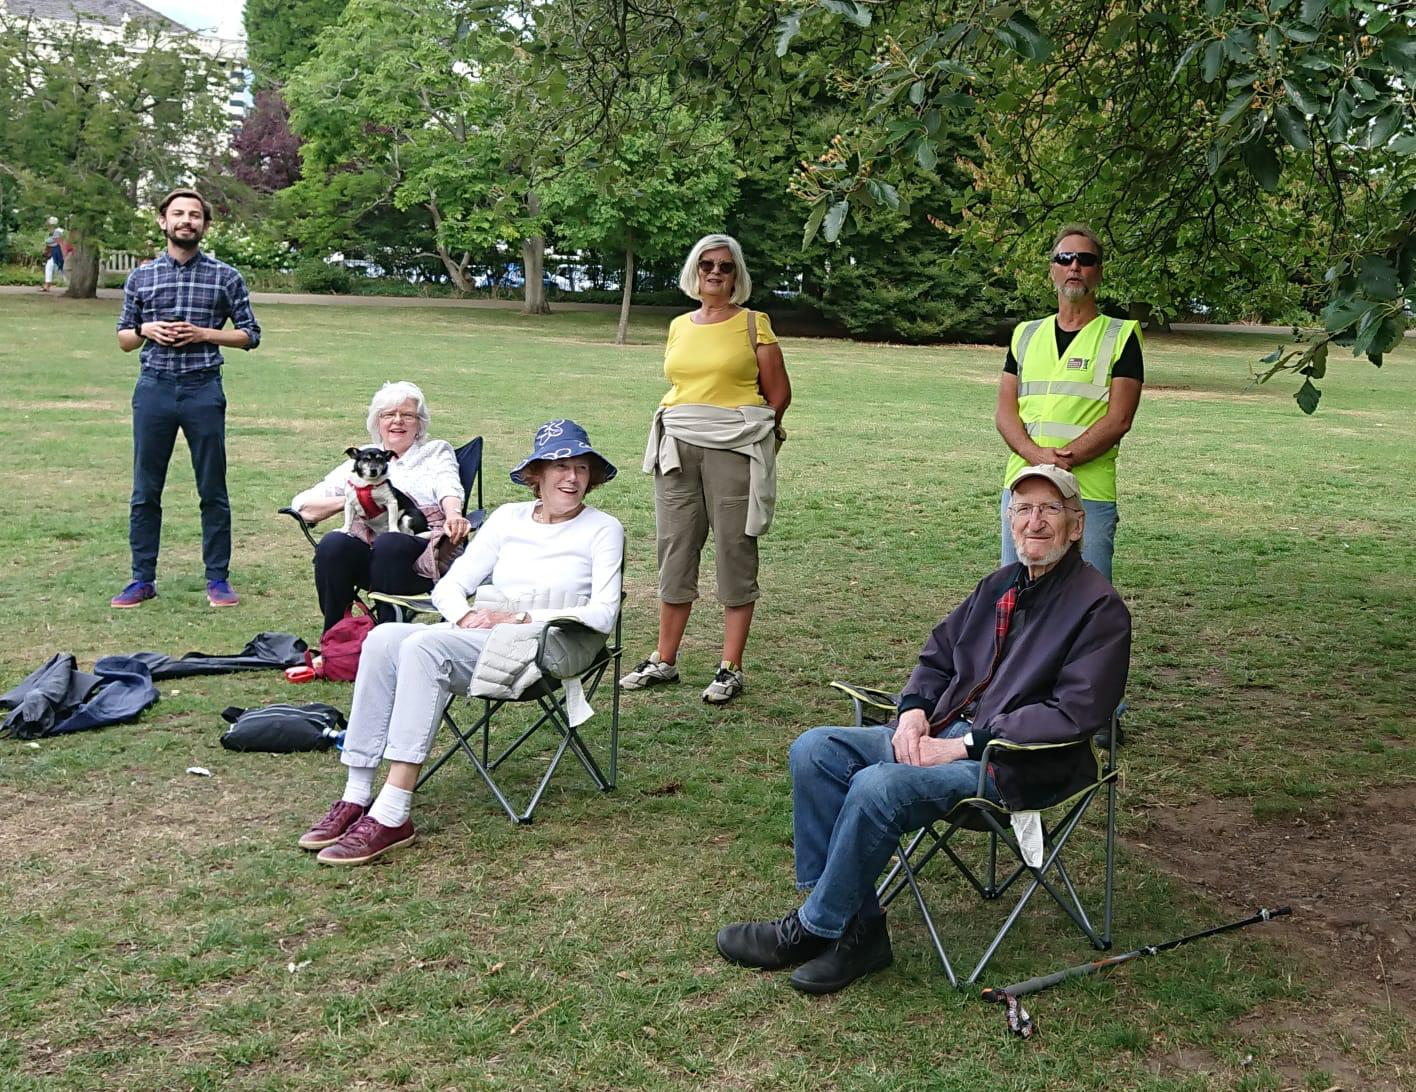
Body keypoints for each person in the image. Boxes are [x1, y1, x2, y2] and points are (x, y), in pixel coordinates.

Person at [715, 465, 1131, 994]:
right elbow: (938, 656)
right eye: (1023, 509)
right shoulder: (999, 586)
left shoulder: (1099, 608)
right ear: (1009, 521)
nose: (1035, 522)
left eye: (1050, 509)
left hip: (1014, 764)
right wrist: (913, 709)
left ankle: (812, 928)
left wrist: (963, 745)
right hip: (946, 731)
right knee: (815, 749)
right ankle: (859, 932)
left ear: (1077, 526)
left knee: (878, 785)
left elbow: (1075, 712)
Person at [298, 420, 623, 866]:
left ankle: (393, 812)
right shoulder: (508, 518)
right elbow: (450, 586)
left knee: (423, 649)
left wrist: (520, 616)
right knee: (384, 638)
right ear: (536, 475)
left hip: (552, 645)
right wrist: (467, 616)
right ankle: (356, 794)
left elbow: (604, 612)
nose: (572, 478)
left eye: (582, 469)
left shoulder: (603, 528)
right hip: (485, 636)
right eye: (560, 466)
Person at [622, 233, 792, 704]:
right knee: (674, 547)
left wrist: (757, 440)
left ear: (737, 274)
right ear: (694, 272)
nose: (715, 273)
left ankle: (730, 666)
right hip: (677, 445)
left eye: (724, 266)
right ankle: (665, 659)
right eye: (706, 265)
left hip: (733, 448)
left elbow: (779, 394)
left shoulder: (754, 324)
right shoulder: (679, 325)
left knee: (735, 550)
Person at [111, 189, 261, 608]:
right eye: (178, 213)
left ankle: (218, 578)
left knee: (212, 488)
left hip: (202, 388)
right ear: (163, 221)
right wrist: (146, 330)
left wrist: (204, 334)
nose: (186, 221)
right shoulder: (141, 277)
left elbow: (250, 334)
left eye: (194, 215)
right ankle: (142, 579)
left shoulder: (225, 276)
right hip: (154, 388)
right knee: (145, 490)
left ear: (205, 226)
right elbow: (124, 337)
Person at [995, 224, 1144, 584]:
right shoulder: (1025, 335)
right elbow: (1005, 413)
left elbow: (1119, 419)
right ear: (1052, 270)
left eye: (1085, 259)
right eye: (1065, 258)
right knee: (1015, 594)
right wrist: (1037, 456)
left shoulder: (1120, 335)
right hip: (1025, 487)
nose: (1074, 266)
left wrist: (1063, 460)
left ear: (1099, 272)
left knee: (1087, 601)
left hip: (1088, 491)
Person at [289, 381, 473, 632]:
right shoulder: (364, 457)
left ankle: (388, 633)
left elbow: (449, 486)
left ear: (419, 423)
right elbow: (304, 505)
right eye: (389, 415)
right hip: (369, 550)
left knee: (391, 541)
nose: (398, 421)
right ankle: (335, 637)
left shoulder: (434, 452)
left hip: (421, 549)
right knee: (333, 543)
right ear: (377, 422)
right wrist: (358, 499)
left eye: (407, 415)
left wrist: (454, 514)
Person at [40, 218, 65, 292]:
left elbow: (56, 241)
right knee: (50, 266)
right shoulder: (54, 232)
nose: (48, 226)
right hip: (54, 250)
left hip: (57, 251)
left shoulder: (58, 231)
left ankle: (47, 285)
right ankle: (47, 285)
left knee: (56, 267)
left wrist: (47, 242)